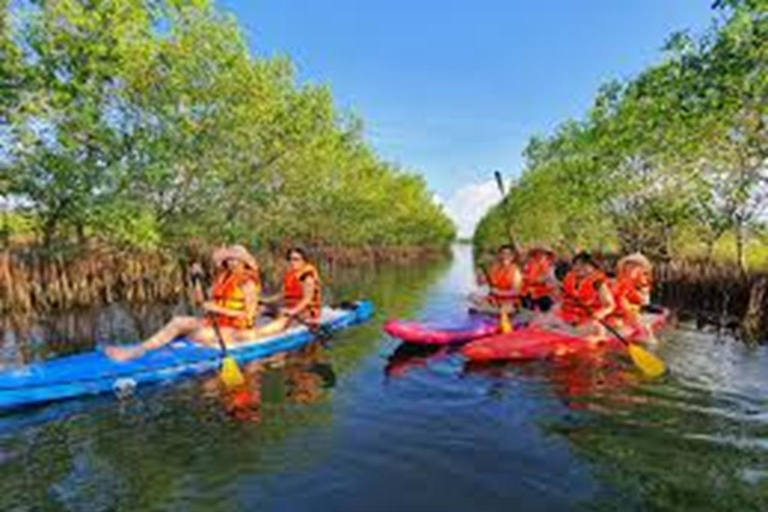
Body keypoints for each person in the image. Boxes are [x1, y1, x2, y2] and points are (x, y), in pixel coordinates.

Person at [106, 245, 262, 361]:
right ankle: (138, 350)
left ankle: (143, 351)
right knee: (178, 321)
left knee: (194, 334)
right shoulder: (223, 279)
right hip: (216, 323)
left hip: (237, 329)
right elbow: (200, 300)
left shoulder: (248, 284)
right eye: (229, 260)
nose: (232, 263)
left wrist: (218, 309)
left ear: (244, 262)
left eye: (236, 259)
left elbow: (249, 315)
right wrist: (196, 279)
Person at [535, 252, 615, 343]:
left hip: (587, 319)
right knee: (540, 322)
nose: (579, 268)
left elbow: (610, 305)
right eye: (576, 264)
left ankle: (595, 339)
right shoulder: (569, 277)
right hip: (566, 315)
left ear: (594, 268)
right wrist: (557, 293)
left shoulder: (598, 283)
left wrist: (599, 314)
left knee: (597, 329)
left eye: (584, 265)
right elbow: (563, 296)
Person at [254, 248, 323, 337]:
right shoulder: (291, 275)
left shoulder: (307, 278)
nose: (292, 262)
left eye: (296, 259)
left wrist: (292, 311)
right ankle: (247, 328)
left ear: (304, 261)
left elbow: (307, 300)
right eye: (290, 259)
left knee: (284, 316)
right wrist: (264, 300)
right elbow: (282, 294)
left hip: (306, 311)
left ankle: (261, 334)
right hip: (290, 308)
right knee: (261, 308)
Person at [610, 252, 655, 342]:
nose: (631, 268)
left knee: (635, 321)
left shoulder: (642, 283)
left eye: (635, 266)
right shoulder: (618, 280)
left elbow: (644, 301)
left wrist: (629, 293)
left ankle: (647, 336)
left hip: (631, 310)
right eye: (629, 265)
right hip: (615, 310)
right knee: (614, 322)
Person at [472, 244, 523, 314]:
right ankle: (489, 309)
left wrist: (499, 292)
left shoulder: (516, 271)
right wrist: (479, 274)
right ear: (499, 255)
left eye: (508, 254)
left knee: (506, 309)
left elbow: (516, 292)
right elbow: (480, 283)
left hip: (509, 302)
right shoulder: (495, 268)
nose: (505, 256)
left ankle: (491, 310)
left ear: (512, 257)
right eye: (503, 253)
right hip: (494, 300)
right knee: (473, 297)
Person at [521, 246, 559, 312]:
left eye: (541, 252)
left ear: (546, 254)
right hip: (529, 291)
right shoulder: (529, 264)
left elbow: (544, 279)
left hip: (544, 292)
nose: (539, 254)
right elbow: (525, 275)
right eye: (537, 252)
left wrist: (531, 279)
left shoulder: (549, 265)